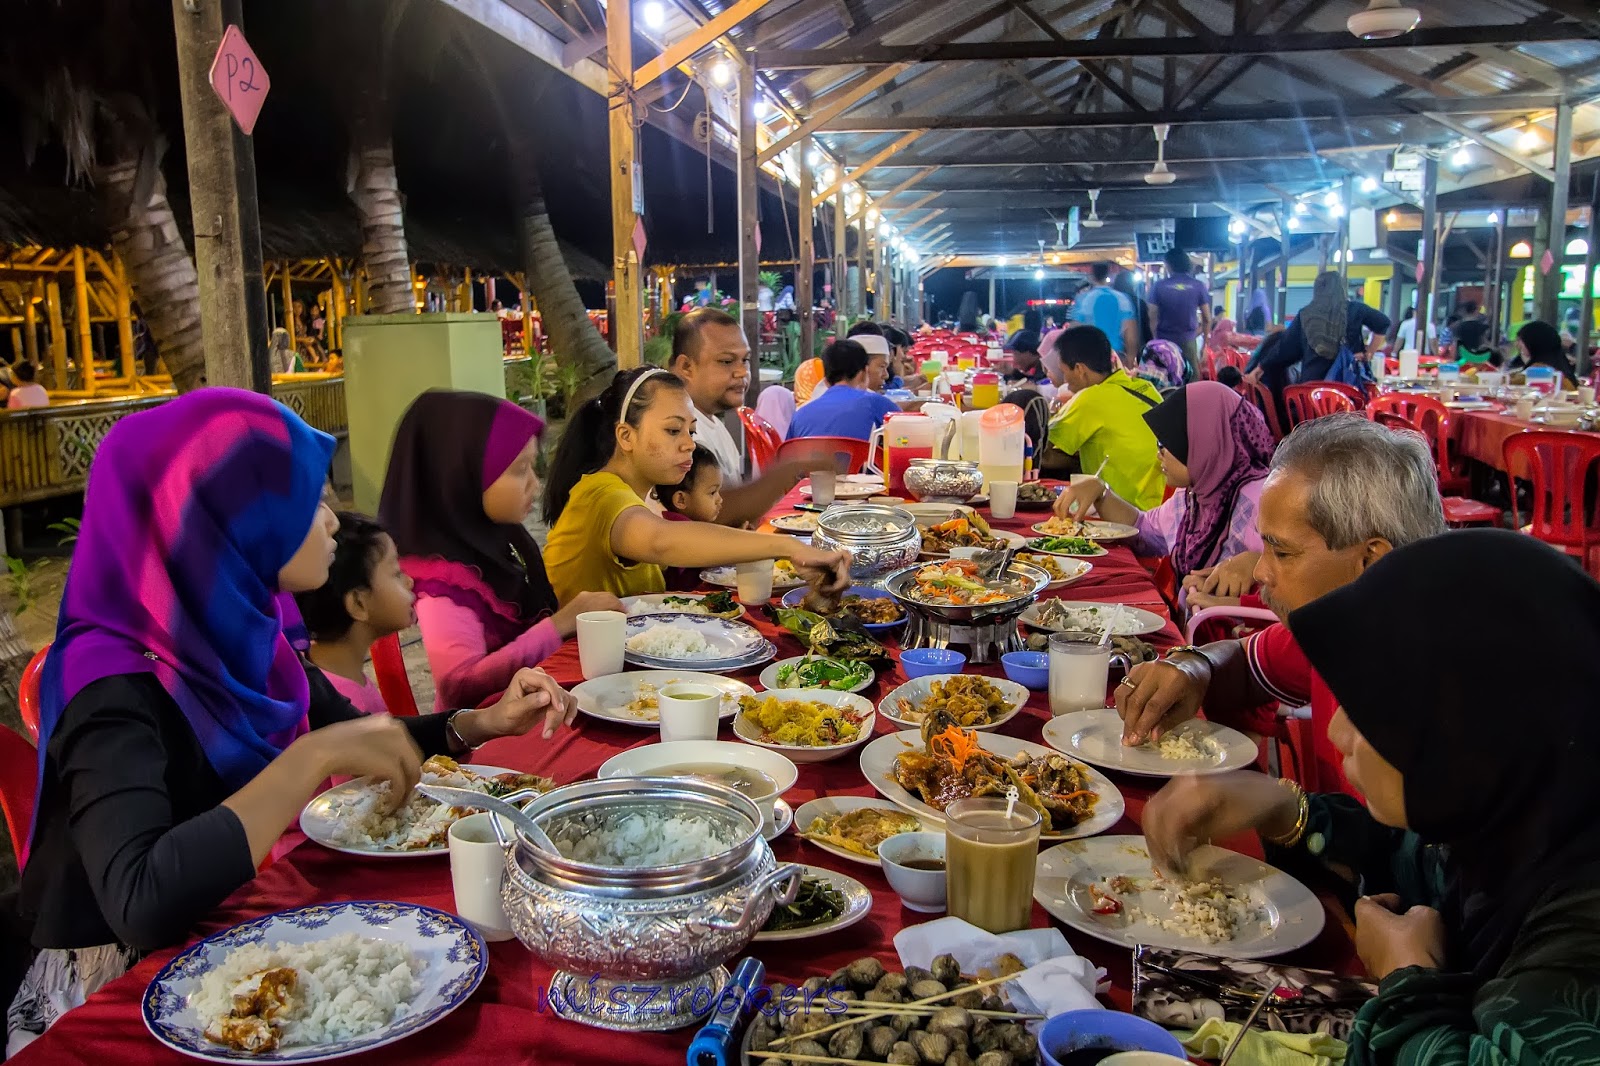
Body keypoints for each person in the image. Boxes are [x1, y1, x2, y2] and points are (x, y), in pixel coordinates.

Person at [6, 389, 574, 1050]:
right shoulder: (109, 682)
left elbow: (367, 739)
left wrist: (484, 722)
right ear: (227, 518)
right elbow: (139, 902)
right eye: (306, 498)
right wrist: (309, 758)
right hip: (124, 997)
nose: (332, 521)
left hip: (234, 934)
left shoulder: (248, 638)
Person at [1142, 530, 1600, 1066]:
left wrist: (1409, 981)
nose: (1335, 731)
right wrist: (1286, 809)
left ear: (1462, 734)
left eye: (1369, 709)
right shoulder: (1518, 825)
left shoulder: (1580, 947)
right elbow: (1417, 859)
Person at [1116, 414, 1446, 790]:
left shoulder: (1437, 689)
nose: (1260, 573)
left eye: (1282, 553)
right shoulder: (1336, 628)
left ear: (1372, 560)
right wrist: (1194, 665)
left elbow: (1390, 843)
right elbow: (1247, 662)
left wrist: (1288, 814)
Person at [379, 390, 621, 712]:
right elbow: (459, 687)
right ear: (462, 474)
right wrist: (559, 623)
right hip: (486, 738)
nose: (535, 484)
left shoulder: (499, 539)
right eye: (520, 470)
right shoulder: (444, 582)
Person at [542, 367, 851, 604]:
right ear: (626, 436)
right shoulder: (600, 494)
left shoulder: (639, 494)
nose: (689, 445)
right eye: (673, 430)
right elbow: (661, 541)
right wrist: (789, 548)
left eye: (690, 431)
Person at [1053, 381, 1273, 584]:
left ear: (1204, 444)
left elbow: (1289, 590)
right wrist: (1101, 492)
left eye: (1165, 444)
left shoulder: (1259, 502)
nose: (1159, 454)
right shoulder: (1195, 494)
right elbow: (1145, 532)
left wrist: (1257, 563)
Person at [669, 308, 811, 525]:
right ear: (686, 367)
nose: (742, 372)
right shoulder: (675, 430)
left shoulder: (714, 422)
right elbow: (715, 514)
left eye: (745, 360)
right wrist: (784, 472)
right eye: (726, 361)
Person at [295, 512, 416, 717]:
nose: (409, 582)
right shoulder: (344, 704)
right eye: (396, 573)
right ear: (358, 603)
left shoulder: (336, 677)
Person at [1046, 326, 1166, 509]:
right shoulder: (1145, 387)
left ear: (1079, 369)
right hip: (1159, 508)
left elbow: (1042, 452)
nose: (1065, 380)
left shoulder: (1090, 399)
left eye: (1064, 372)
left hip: (1121, 512)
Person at [1270, 271, 1390, 382]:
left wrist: (1261, 366)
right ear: (1341, 289)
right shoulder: (1354, 309)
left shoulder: (1305, 314)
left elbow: (1285, 346)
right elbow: (1383, 323)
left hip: (1311, 387)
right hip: (1346, 386)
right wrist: (1369, 353)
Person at [786, 338, 899, 441]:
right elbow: (906, 435)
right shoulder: (876, 403)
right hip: (859, 464)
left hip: (810, 464)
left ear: (825, 380)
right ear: (864, 373)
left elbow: (788, 457)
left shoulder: (799, 416)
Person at [655, 444, 724, 591]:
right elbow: (717, 554)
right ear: (681, 500)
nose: (720, 500)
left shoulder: (677, 523)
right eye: (712, 493)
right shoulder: (680, 530)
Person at [1148, 250, 1211, 378]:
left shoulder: (1158, 286)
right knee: (1191, 378)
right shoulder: (1198, 286)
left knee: (1165, 378)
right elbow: (1207, 318)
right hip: (1188, 341)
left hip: (1164, 341)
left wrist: (1154, 339)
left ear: (1168, 265)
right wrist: (1205, 345)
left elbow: (1152, 316)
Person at [1072, 263, 1139, 363]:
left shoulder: (1084, 299)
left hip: (1090, 358)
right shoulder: (1122, 299)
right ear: (1109, 275)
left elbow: (1075, 330)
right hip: (1116, 357)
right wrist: (1130, 360)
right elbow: (1131, 334)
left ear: (1092, 276)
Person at [1508, 320, 1578, 388]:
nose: (1517, 344)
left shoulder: (1540, 369)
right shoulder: (1561, 365)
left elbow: (1509, 383)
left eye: (1521, 340)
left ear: (1534, 342)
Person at [1114, 269, 1154, 357]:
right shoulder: (1139, 302)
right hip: (1138, 346)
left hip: (1117, 348)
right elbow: (1146, 328)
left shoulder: (1112, 302)